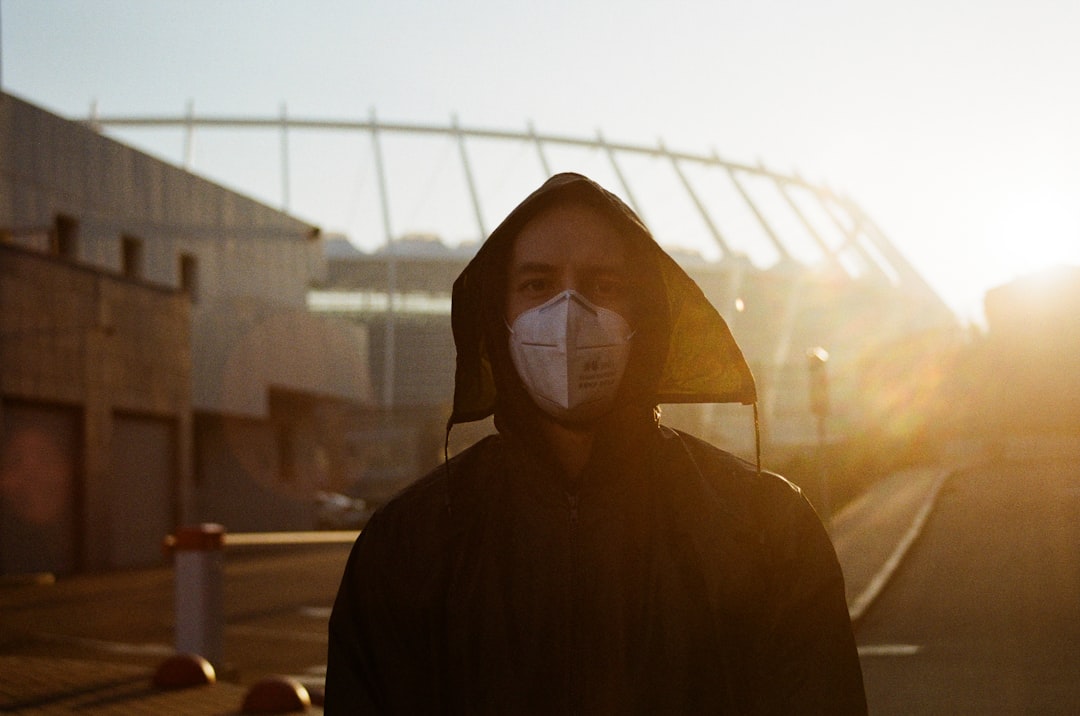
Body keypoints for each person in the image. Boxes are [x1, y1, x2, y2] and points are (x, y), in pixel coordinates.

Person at [326, 172, 867, 714]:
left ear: (647, 316)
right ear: (497, 315)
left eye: (603, 286)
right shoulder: (408, 545)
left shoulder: (766, 528)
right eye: (537, 285)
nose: (568, 314)